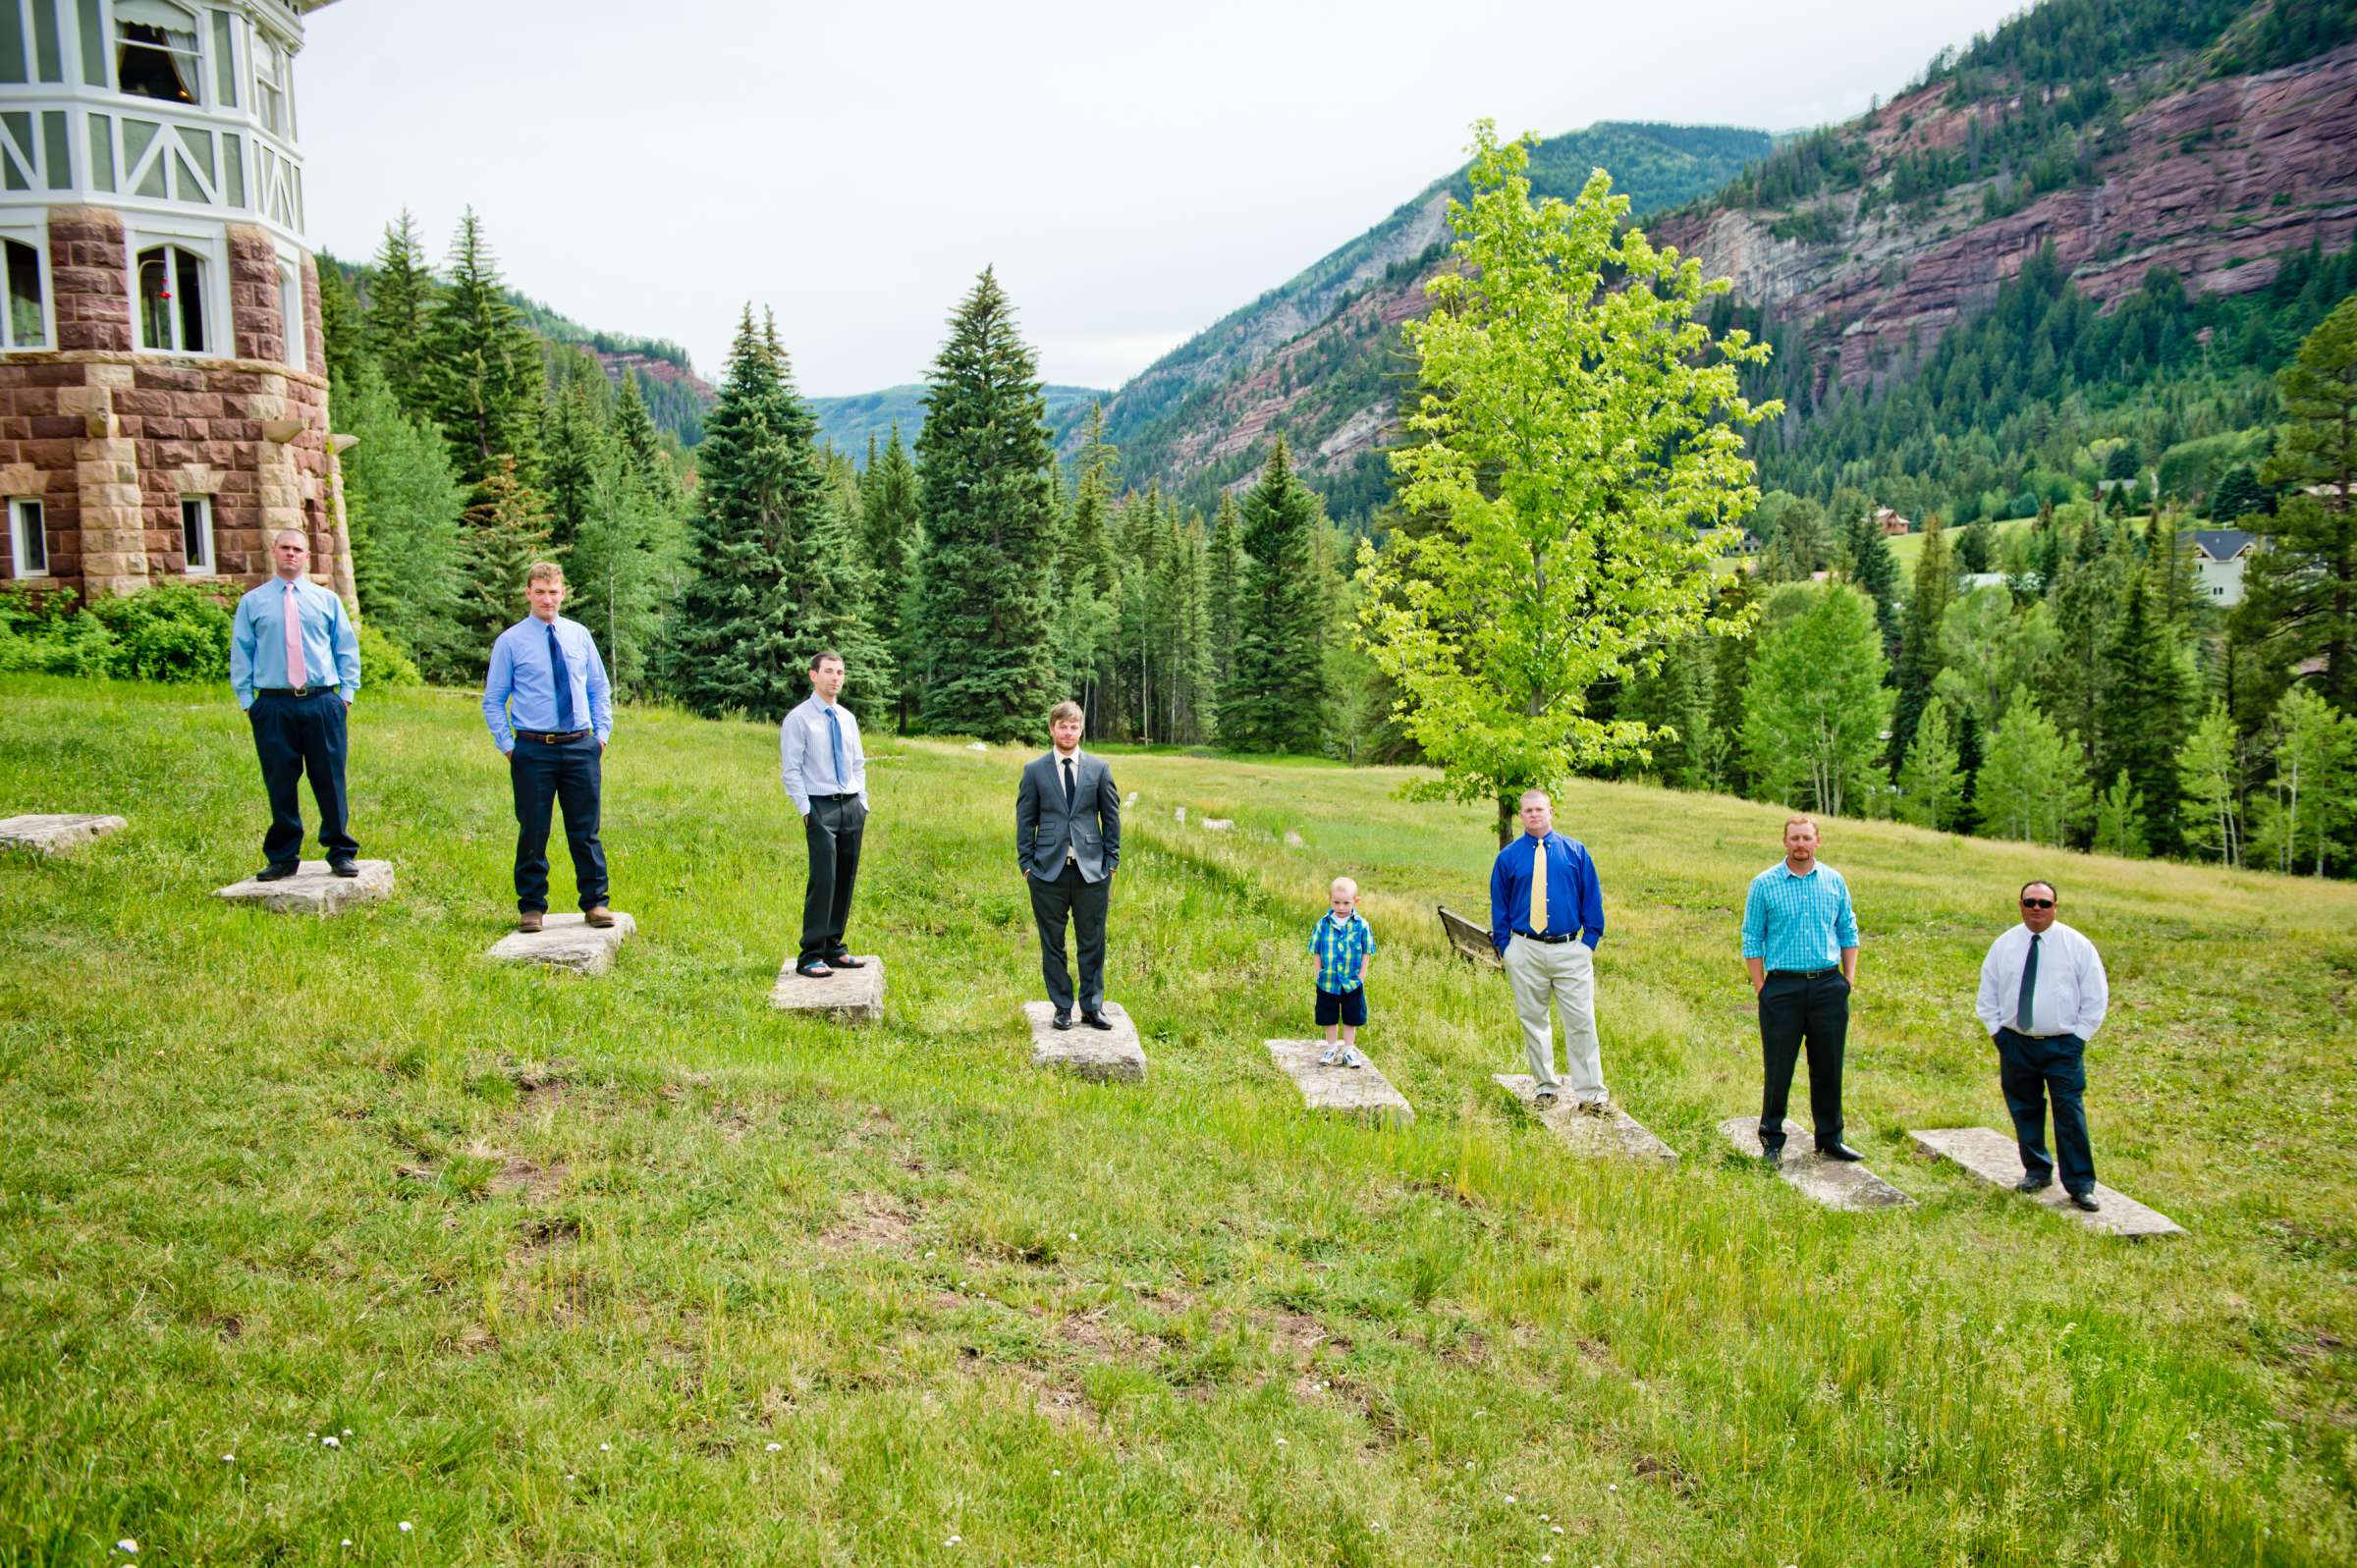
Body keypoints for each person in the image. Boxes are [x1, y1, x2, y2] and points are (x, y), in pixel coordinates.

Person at [481, 562, 613, 935]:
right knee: (534, 830)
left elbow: (599, 688)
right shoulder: (511, 641)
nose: (547, 599)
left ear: (563, 593)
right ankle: (532, 907)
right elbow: (494, 700)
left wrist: (600, 735)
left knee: (585, 830)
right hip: (533, 749)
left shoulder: (579, 635)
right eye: (540, 591)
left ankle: (595, 902)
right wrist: (509, 747)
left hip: (579, 746)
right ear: (528, 593)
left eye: (553, 592)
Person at [229, 527, 362, 881]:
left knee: (329, 779)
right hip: (273, 705)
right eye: (285, 547)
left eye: (298, 549)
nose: (291, 554)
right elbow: (242, 652)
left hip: (321, 702)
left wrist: (345, 695)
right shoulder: (253, 602)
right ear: (274, 551)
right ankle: (283, 856)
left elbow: (345, 648)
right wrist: (248, 702)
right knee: (280, 780)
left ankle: (340, 851)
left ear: (307, 556)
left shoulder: (326, 600)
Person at [1974, 880, 2109, 1213]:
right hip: (2016, 1043)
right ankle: (2036, 1171)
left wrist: (2079, 1038)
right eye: (2030, 902)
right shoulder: (2004, 945)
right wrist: (1997, 1033)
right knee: (2025, 1109)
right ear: (2020, 905)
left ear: (2055, 908)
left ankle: (2080, 1185)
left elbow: (2095, 996)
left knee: (2069, 1113)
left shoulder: (2076, 945)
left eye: (2044, 904)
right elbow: (1988, 992)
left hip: (2063, 1045)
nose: (2037, 908)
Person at [1740, 815, 1862, 1164]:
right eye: (1794, 838)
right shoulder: (1764, 884)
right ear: (1785, 842)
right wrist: (1762, 986)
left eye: (1807, 838)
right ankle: (1772, 1139)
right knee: (1779, 1066)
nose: (1800, 844)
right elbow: (1752, 937)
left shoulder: (1834, 881)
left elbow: (1848, 931)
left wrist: (1848, 979)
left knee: (1828, 1064)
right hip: (1782, 988)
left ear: (1817, 842)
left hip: (1827, 984)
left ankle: (1830, 1138)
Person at [1490, 788, 1609, 1108]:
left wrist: (1589, 942)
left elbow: (1592, 899)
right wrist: (1506, 947)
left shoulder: (1576, 852)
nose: (1533, 815)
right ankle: (1545, 1087)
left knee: (1581, 1021)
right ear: (1520, 815)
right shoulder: (1508, 858)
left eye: (1539, 809)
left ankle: (1592, 1095)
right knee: (1534, 1020)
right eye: (1527, 811)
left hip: (1570, 950)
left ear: (1550, 811)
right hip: (1525, 950)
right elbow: (1499, 906)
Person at [1016, 701, 1121, 1030]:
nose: (1068, 732)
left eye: (1074, 726)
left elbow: (1112, 817)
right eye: (1062, 726)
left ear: (1081, 729)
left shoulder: (1099, 769)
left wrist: (1111, 861)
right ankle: (1062, 1006)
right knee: (1053, 943)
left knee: (1092, 941)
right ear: (1052, 729)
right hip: (1048, 871)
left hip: (1091, 870)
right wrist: (1027, 864)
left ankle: (1092, 1006)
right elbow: (1024, 820)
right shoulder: (1035, 771)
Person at [779, 650, 868, 979]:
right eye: (829, 671)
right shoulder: (799, 719)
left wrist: (863, 802)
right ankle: (811, 953)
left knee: (845, 877)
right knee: (824, 877)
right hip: (819, 806)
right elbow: (791, 770)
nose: (836, 678)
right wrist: (806, 811)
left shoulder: (847, 718)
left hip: (851, 805)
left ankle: (834, 946)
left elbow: (858, 763)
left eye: (841, 672)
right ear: (813, 675)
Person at [1309, 876, 1376, 1067]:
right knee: (1328, 1015)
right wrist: (1318, 972)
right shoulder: (1323, 924)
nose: (1340, 907)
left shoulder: (1361, 925)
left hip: (1352, 981)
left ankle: (1348, 1050)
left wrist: (1362, 974)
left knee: (1351, 1016)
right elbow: (1316, 950)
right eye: (1336, 902)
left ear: (1356, 901)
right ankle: (1330, 1048)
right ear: (1330, 899)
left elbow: (1367, 951)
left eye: (1346, 903)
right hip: (1328, 980)